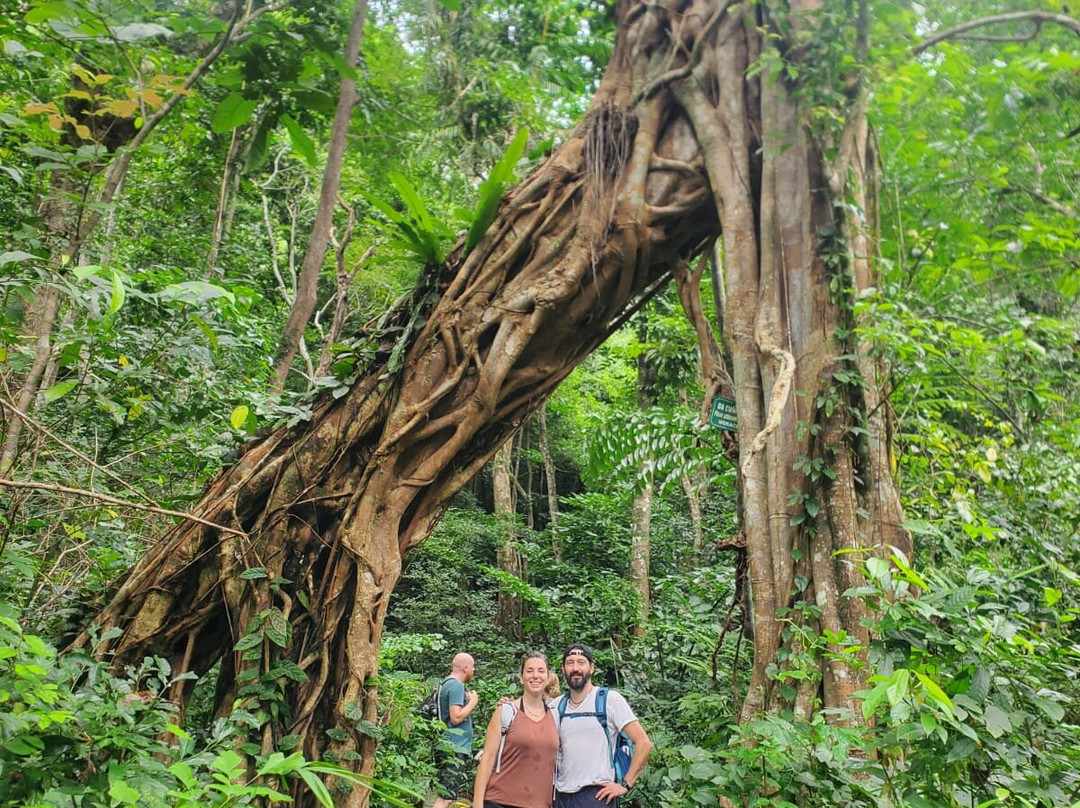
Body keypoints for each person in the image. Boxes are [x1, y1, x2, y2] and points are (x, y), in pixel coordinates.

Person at [553, 643, 652, 807]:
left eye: (581, 662)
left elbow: (644, 743)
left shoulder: (610, 700)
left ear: (591, 668)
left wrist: (625, 784)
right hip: (561, 797)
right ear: (563, 669)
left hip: (597, 796)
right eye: (570, 663)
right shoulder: (556, 706)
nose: (575, 668)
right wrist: (506, 705)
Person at [472, 651, 560, 808]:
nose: (535, 676)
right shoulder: (505, 712)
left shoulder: (557, 716)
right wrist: (477, 804)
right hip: (500, 801)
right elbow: (487, 759)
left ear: (548, 678)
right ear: (521, 677)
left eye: (541, 671)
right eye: (529, 670)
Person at [433, 652, 479, 808]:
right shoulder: (456, 685)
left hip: (447, 746)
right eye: (473, 667)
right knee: (446, 798)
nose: (474, 670)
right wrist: (473, 702)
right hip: (453, 748)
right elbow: (456, 717)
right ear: (466, 668)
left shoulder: (446, 683)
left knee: (447, 795)